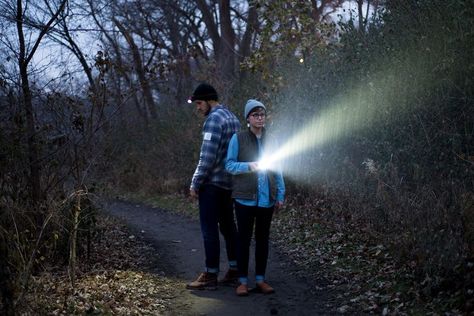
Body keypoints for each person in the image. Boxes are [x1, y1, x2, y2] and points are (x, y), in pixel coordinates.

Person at [225, 99, 285, 296]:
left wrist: (280, 194)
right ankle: (242, 282)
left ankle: (260, 280)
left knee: (263, 240)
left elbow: (278, 169)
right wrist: (248, 166)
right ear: (248, 118)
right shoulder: (238, 138)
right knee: (243, 240)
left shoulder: (272, 139)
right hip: (244, 199)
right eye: (256, 115)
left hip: (266, 199)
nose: (260, 118)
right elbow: (229, 165)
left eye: (262, 115)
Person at [186, 83, 241, 290]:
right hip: (228, 184)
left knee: (209, 229)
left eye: (199, 103)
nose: (198, 108)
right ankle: (235, 270)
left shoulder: (213, 120)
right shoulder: (233, 118)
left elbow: (207, 156)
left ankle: (210, 274)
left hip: (212, 185)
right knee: (228, 228)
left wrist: (195, 182)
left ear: (209, 100)